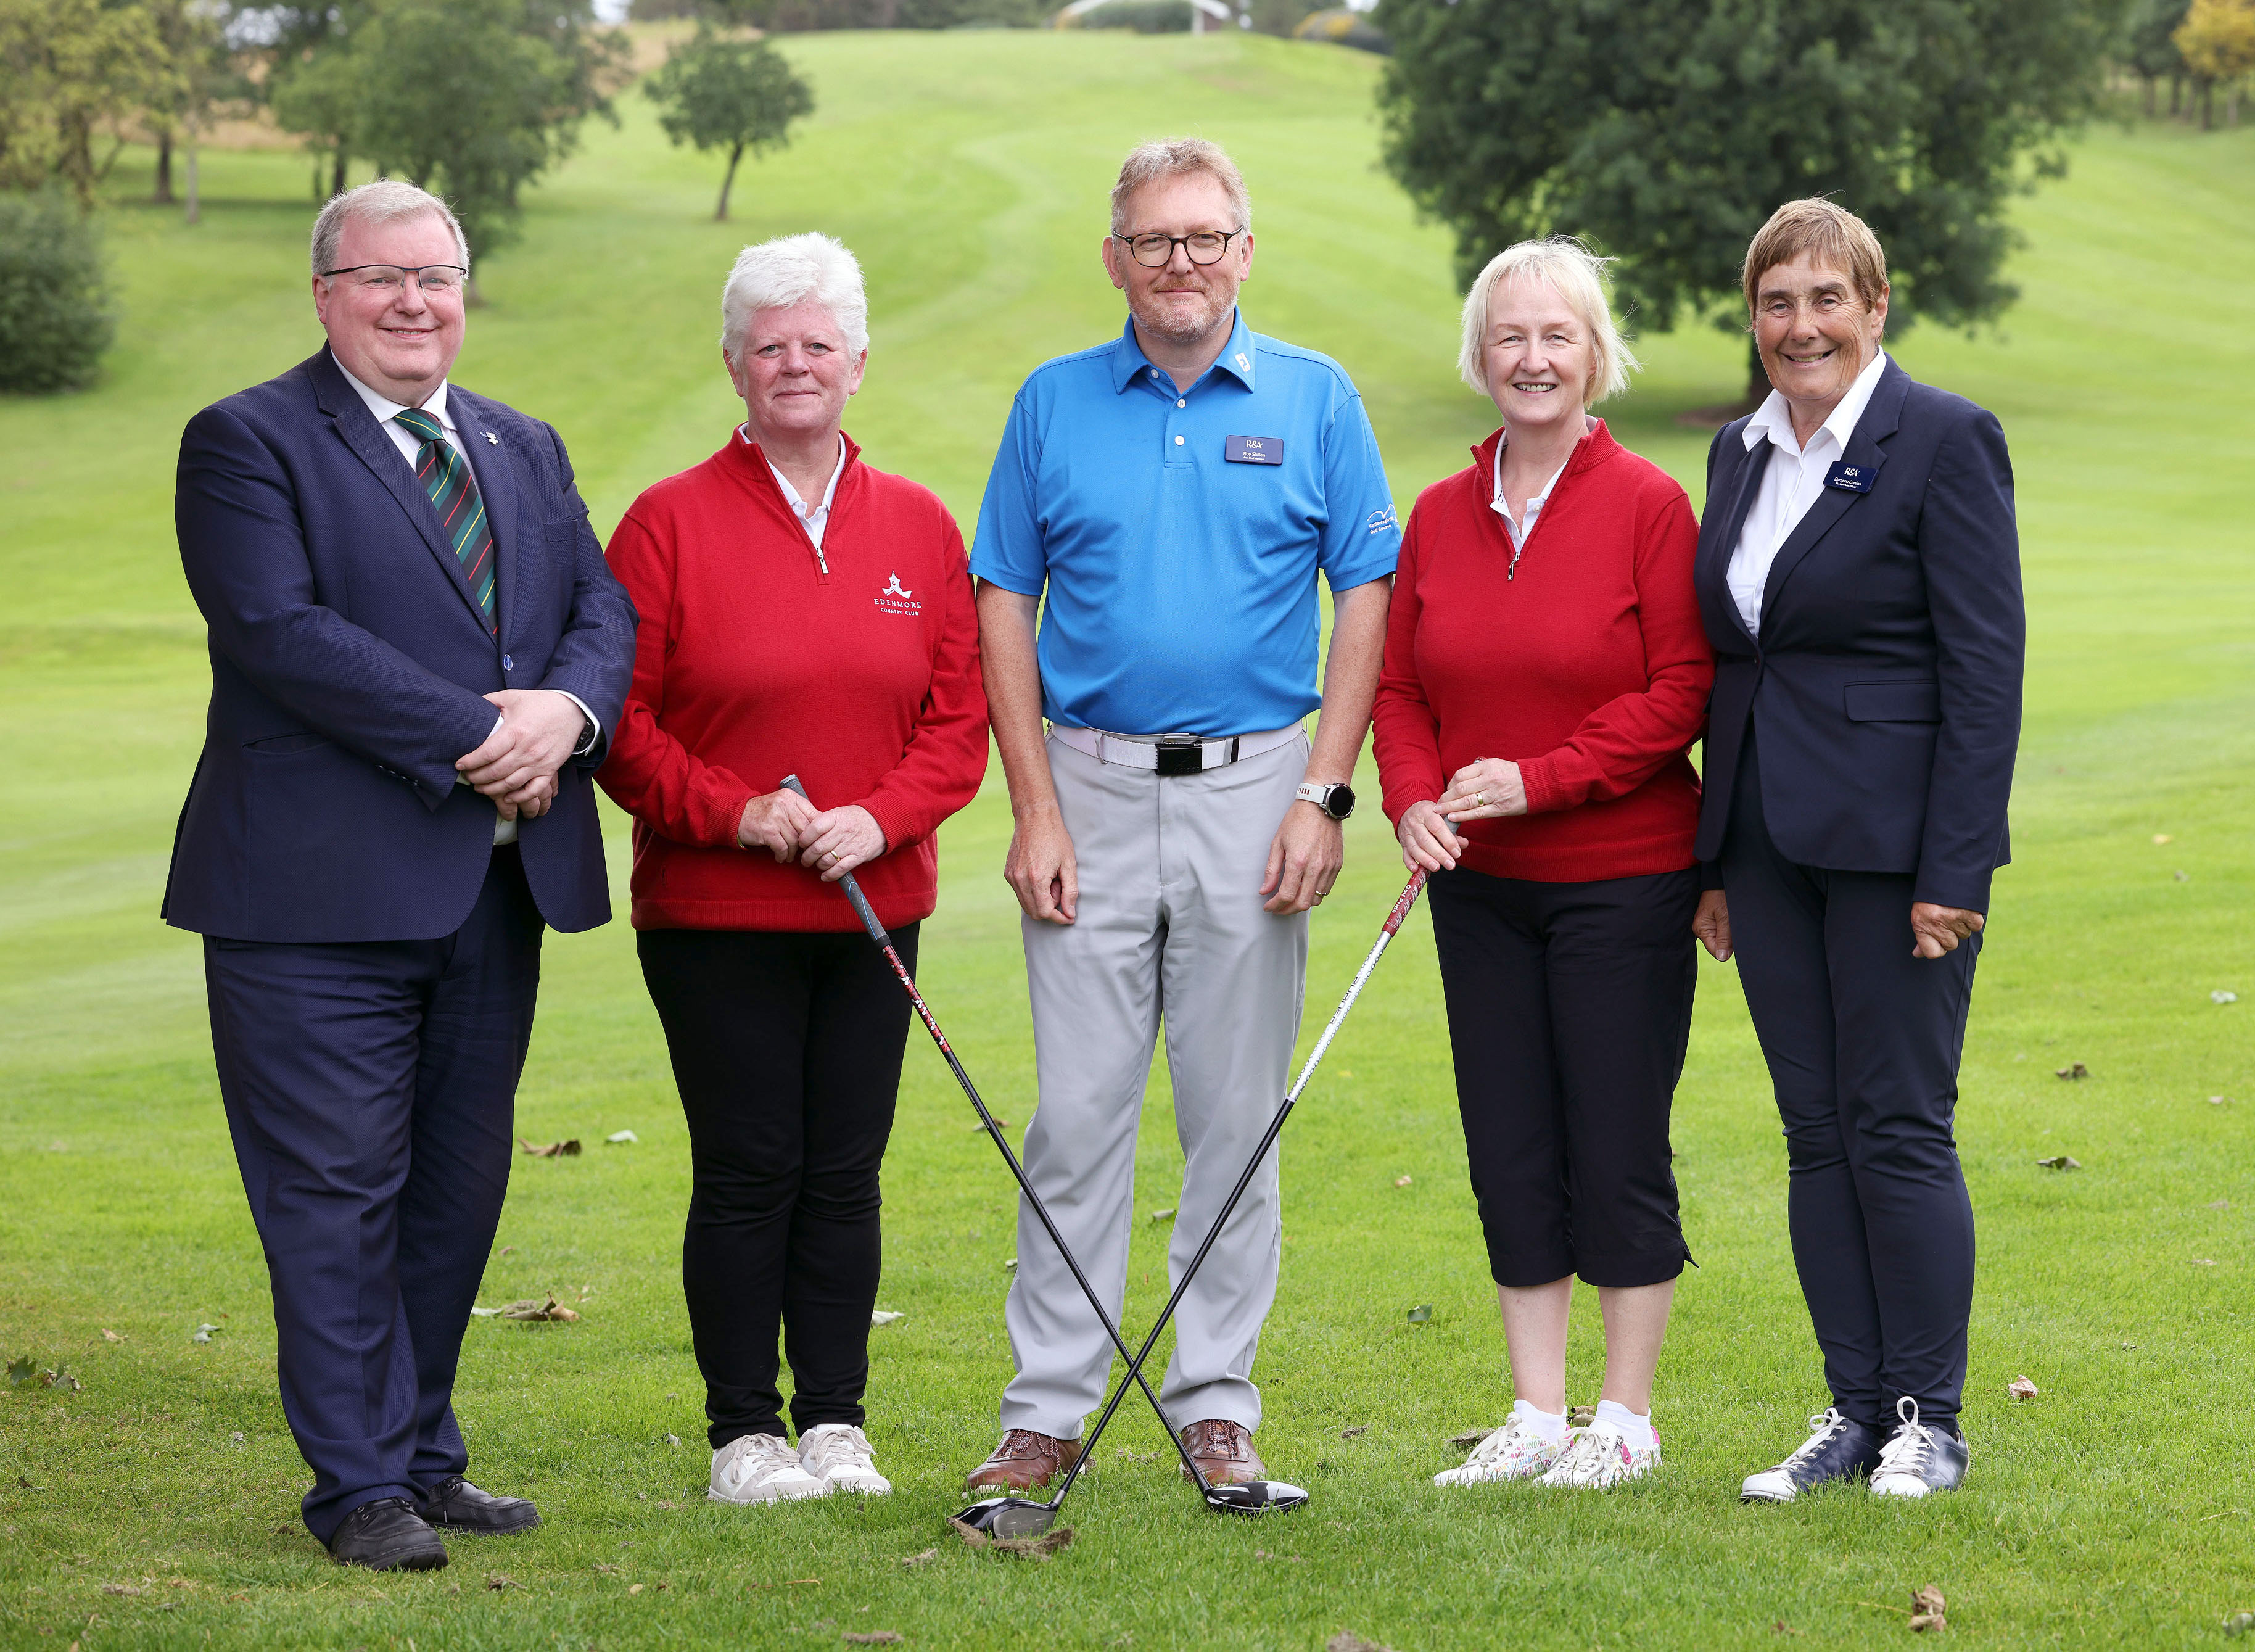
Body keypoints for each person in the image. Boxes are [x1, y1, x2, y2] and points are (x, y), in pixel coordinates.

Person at [165, 180, 636, 1571]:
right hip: (312, 904)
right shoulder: (249, 440)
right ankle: (356, 1486)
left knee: (452, 1189)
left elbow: (599, 610)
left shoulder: (520, 443)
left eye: (437, 275)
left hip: (493, 894)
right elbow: (279, 632)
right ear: (326, 295)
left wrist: (569, 716)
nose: (415, 301)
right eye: (383, 278)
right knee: (333, 1194)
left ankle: (424, 1455)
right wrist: (486, 733)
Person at [962, 137, 1400, 1497]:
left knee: (1232, 1116)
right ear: (1115, 261)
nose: (1181, 263)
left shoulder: (1318, 400)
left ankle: (1214, 1399)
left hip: (1258, 788)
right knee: (1078, 1115)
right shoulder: (1051, 401)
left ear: (1245, 252)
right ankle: (1047, 1407)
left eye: (1205, 238)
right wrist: (1030, 805)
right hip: (1085, 789)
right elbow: (1002, 602)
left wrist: (1326, 795)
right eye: (1153, 241)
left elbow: (1366, 597)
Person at [597, 234, 987, 1507]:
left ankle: (834, 1422)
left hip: (873, 907)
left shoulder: (920, 526)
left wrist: (876, 820)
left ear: (858, 363)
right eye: (769, 345)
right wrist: (741, 814)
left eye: (817, 343)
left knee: (844, 1169)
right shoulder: (666, 522)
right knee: (751, 1164)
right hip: (718, 912)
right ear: (734, 365)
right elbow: (624, 726)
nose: (794, 364)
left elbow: (956, 724)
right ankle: (743, 1434)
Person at [1689, 199, 2022, 1502]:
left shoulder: (1941, 438)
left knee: (1896, 1127)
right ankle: (1849, 1411)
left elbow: (1984, 672)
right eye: (1777, 301)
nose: (1800, 325)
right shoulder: (1738, 452)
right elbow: (1737, 663)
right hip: (1769, 844)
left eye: (1827, 298)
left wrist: (1956, 868)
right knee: (1814, 1133)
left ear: (1874, 308)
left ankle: (1925, 1422)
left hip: (1897, 856)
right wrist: (1713, 856)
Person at [1374, 237, 1713, 1491]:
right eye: (1509, 336)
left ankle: (1623, 1418)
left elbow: (1680, 688)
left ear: (1593, 354)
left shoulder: (1646, 505)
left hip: (1622, 877)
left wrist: (1539, 777)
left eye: (1555, 336)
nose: (1531, 357)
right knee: (1507, 1139)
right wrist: (1412, 797)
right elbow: (1401, 686)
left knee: (1612, 1136)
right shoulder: (1438, 515)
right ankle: (1534, 1409)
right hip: (1481, 890)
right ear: (1480, 355)